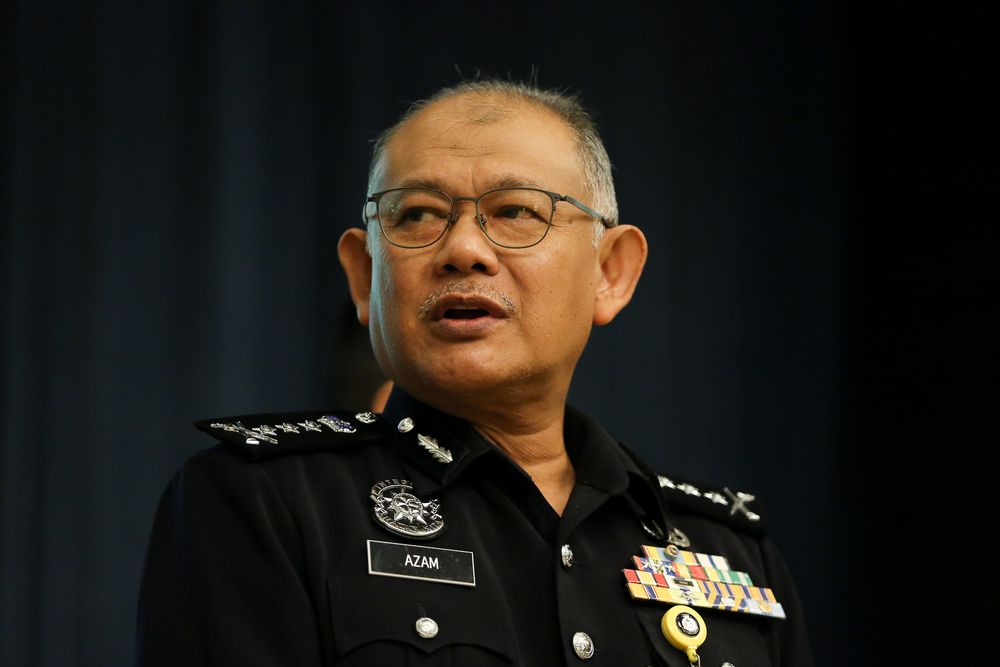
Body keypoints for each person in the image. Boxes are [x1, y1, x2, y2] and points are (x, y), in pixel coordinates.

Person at [136, 80, 813, 666]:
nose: (462, 249)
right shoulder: (267, 501)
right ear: (365, 275)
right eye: (417, 215)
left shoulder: (729, 552)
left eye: (516, 211)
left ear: (611, 272)